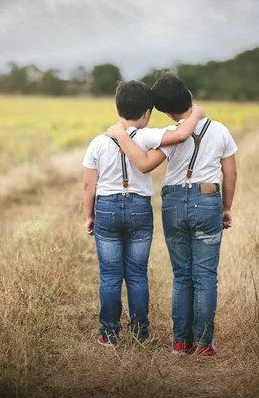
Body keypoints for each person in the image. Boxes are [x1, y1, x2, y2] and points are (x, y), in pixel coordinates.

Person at [105, 73, 238, 356]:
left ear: (165, 111)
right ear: (189, 94)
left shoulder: (169, 135)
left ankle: (181, 341)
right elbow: (231, 172)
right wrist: (226, 208)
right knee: (205, 275)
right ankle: (203, 344)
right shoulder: (221, 130)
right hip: (207, 200)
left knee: (181, 274)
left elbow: (146, 162)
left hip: (174, 203)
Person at [82, 80, 205, 346]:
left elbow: (88, 185)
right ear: (147, 113)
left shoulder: (97, 143)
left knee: (110, 275)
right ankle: (140, 333)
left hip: (106, 208)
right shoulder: (148, 136)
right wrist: (195, 113)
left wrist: (89, 215)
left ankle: (109, 334)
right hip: (139, 207)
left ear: (117, 108)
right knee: (137, 274)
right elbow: (180, 133)